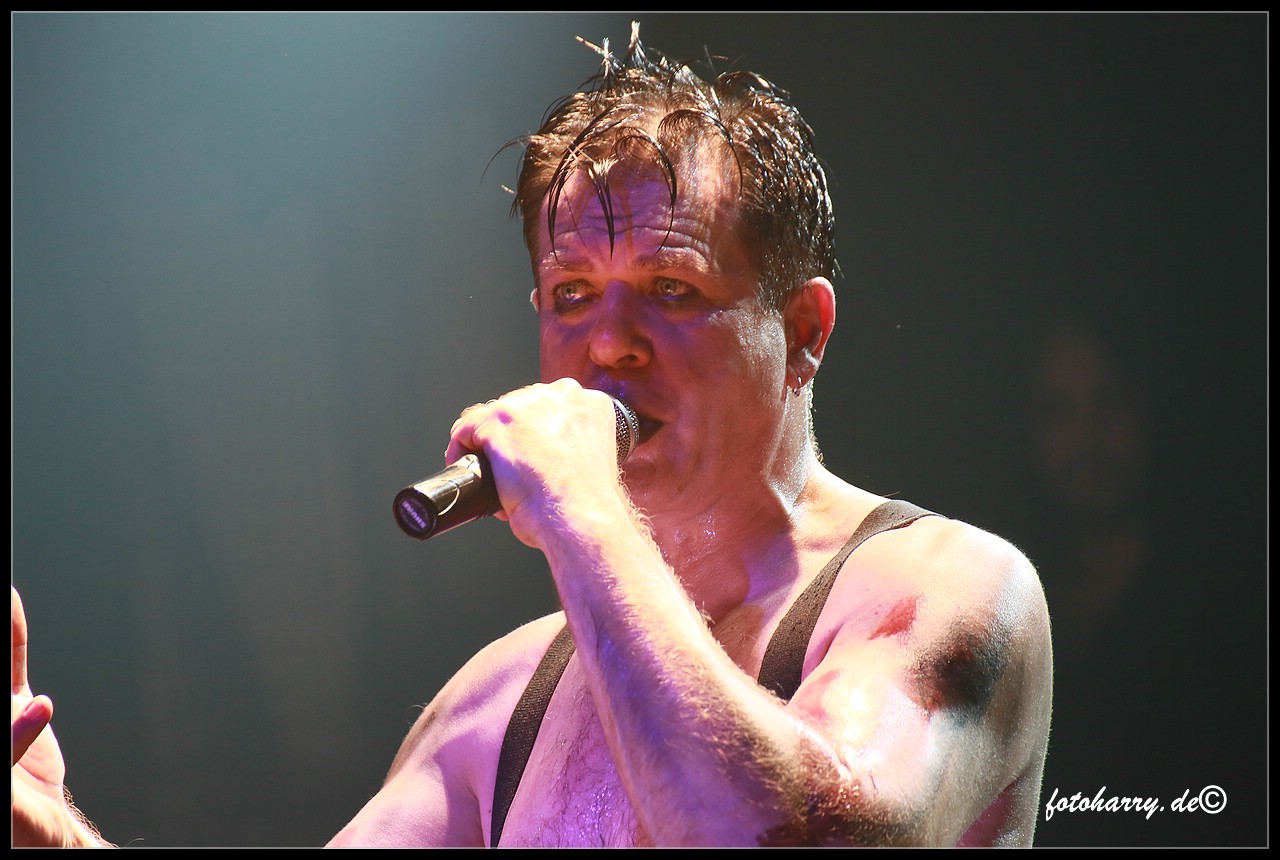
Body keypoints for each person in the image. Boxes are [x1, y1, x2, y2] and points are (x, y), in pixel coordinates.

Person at [12, 24, 1052, 848]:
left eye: (669, 289)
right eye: (572, 294)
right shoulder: (500, 698)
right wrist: (49, 829)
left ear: (804, 332)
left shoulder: (943, 588)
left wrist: (582, 507)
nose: (607, 344)